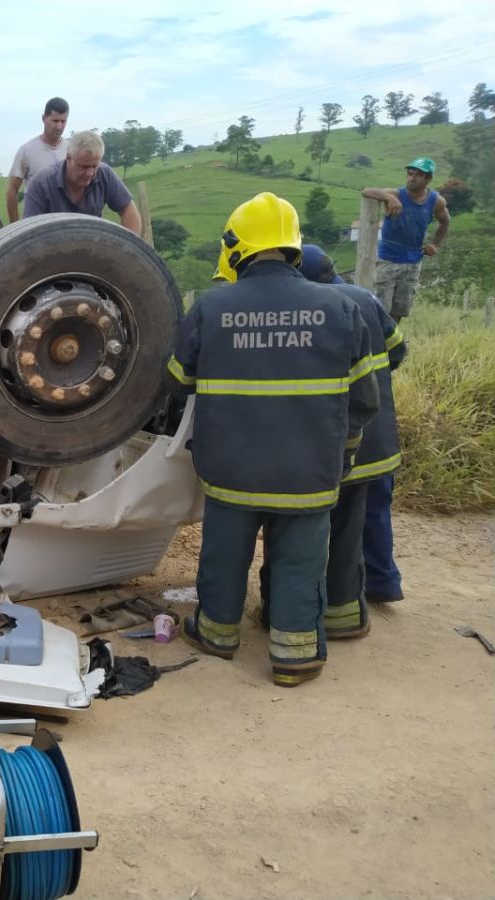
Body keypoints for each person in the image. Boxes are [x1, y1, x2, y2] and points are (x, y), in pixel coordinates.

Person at [166, 192, 379, 687]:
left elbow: (177, 378)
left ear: (237, 247)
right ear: (292, 247)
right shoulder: (341, 306)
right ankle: (295, 653)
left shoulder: (212, 306)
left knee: (224, 554)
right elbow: (365, 399)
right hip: (309, 472)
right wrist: (341, 456)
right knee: (301, 562)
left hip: (231, 469)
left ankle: (217, 634)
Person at [298, 244, 405, 639]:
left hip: (341, 441)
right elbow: (398, 351)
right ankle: (383, 584)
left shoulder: (313, 310)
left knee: (331, 522)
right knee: (375, 512)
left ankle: (331, 597)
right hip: (379, 440)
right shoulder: (366, 298)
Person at [361, 158, 450, 323]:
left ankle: (391, 343)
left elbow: (445, 221)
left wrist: (434, 244)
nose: (412, 178)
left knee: (400, 309)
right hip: (388, 259)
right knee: (380, 306)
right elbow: (367, 191)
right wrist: (390, 198)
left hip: (413, 262)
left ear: (428, 179)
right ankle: (376, 342)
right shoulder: (397, 194)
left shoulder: (435, 201)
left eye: (418, 175)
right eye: (410, 173)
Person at [22, 130, 142, 235]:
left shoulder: (104, 173)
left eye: (94, 166)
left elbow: (127, 209)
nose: (90, 173)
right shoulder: (41, 184)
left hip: (93, 249)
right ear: (69, 158)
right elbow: (31, 233)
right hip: (53, 251)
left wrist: (128, 250)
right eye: (84, 167)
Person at [6, 97, 69, 222]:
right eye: (55, 121)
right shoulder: (27, 150)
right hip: (36, 222)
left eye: (63, 121)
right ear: (44, 119)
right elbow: (12, 191)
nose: (59, 126)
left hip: (65, 221)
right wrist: (14, 227)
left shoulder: (71, 150)